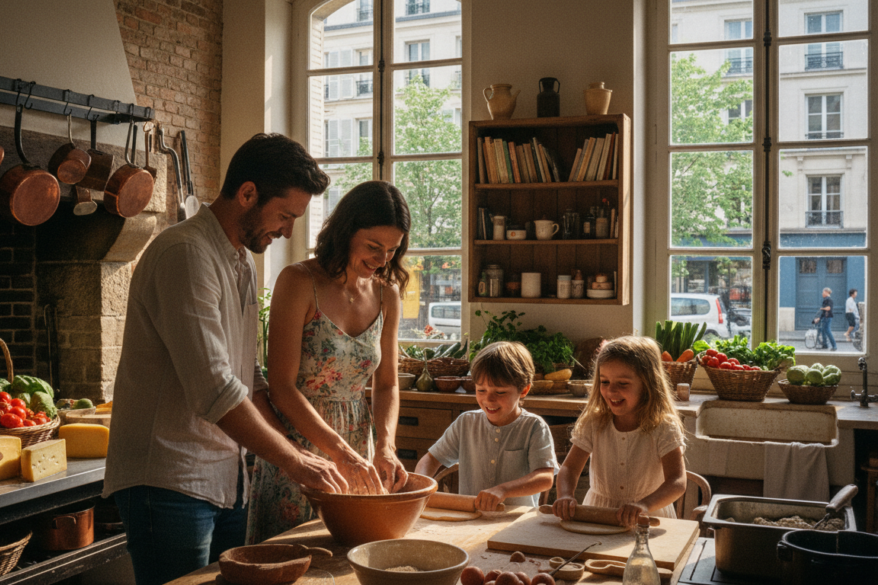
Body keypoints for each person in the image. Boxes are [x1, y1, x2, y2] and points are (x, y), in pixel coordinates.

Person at [103, 133, 347, 585]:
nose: (289, 231)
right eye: (285, 216)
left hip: (226, 476)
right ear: (248, 193)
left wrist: (306, 456)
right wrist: (294, 461)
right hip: (168, 479)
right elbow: (215, 387)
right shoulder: (185, 253)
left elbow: (247, 376)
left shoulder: (240, 262)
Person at [246, 180, 412, 544]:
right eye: (373, 246)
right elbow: (281, 387)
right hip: (298, 447)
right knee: (289, 563)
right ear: (345, 231)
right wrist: (339, 453)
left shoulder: (387, 295)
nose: (382, 259)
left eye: (392, 249)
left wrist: (385, 446)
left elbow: (386, 383)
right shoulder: (299, 281)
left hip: (359, 448)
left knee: (350, 561)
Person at [553, 336, 687, 527]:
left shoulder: (664, 427)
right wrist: (565, 495)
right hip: (600, 514)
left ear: (647, 385)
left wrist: (644, 505)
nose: (611, 391)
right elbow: (569, 468)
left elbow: (677, 481)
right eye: (605, 382)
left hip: (648, 517)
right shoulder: (594, 422)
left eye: (622, 384)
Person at [414, 341, 558, 510]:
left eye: (500, 392)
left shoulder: (534, 427)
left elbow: (545, 477)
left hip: (514, 522)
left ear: (524, 390)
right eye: (481, 390)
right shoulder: (465, 423)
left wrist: (504, 490)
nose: (488, 399)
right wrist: (419, 485)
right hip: (470, 520)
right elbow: (430, 460)